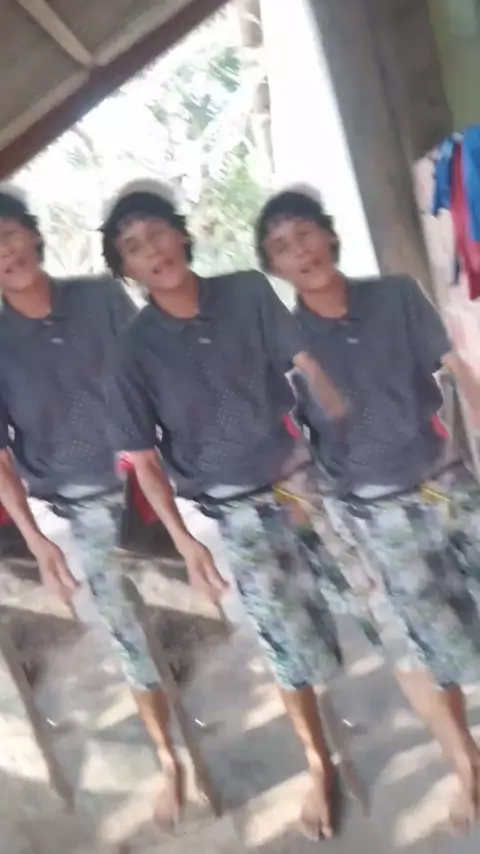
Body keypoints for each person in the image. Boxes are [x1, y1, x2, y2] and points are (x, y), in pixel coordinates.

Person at [102, 179, 361, 840]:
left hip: (304, 481)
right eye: (133, 246)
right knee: (286, 642)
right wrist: (186, 543)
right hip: (237, 511)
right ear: (126, 269)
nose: (152, 250)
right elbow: (145, 462)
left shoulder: (247, 290)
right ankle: (319, 762)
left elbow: (306, 363)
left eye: (157, 232)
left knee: (375, 602)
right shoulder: (132, 352)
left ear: (181, 234)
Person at [255, 186, 480, 831]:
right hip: (370, 514)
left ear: (329, 235)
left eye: (305, 233)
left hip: (448, 487)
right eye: (281, 246)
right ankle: (465, 762)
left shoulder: (397, 295)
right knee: (416, 645)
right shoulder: (280, 344)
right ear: (274, 267)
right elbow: (289, 447)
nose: (300, 250)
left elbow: (456, 370)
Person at [0, 186, 183, 828]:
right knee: (132, 635)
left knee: (184, 622)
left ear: (32, 234)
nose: (5, 252)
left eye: (9, 234)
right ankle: (170, 761)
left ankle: (197, 730)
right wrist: (37, 541)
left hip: (146, 488)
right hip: (77, 506)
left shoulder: (101, 299)